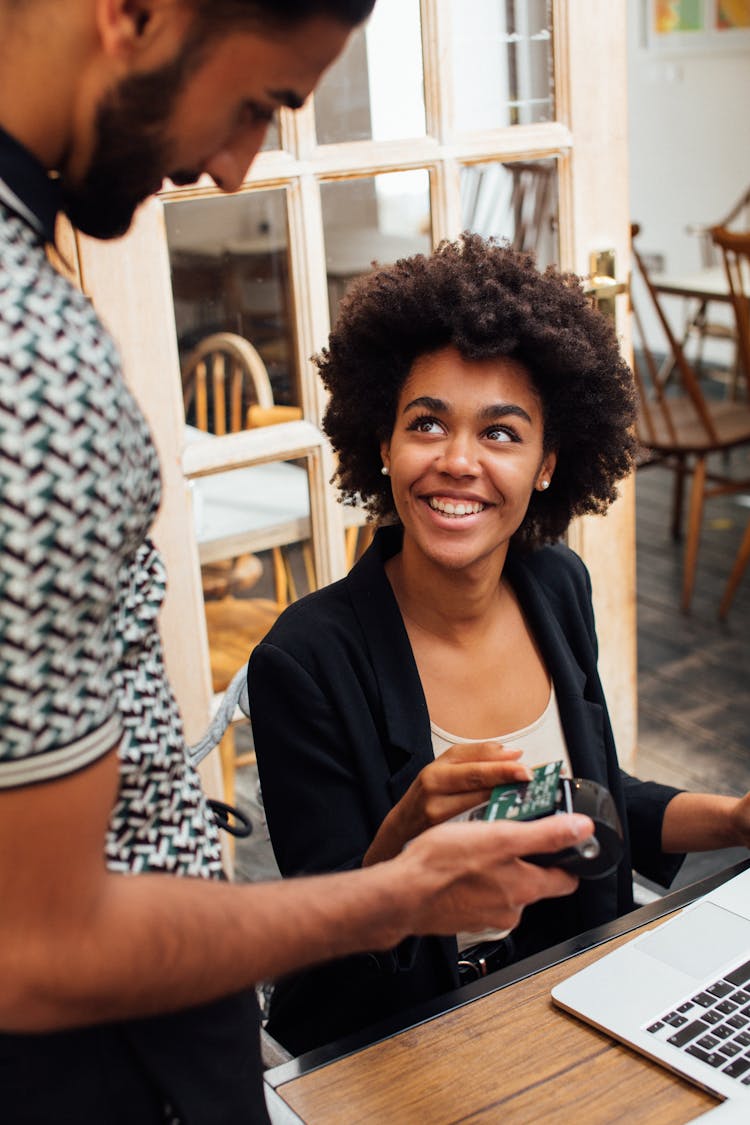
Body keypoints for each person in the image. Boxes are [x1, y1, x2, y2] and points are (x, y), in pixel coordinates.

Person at [0, 5, 599, 1124]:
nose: (231, 170)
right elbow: (37, 940)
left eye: (505, 432)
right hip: (109, 1061)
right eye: (254, 106)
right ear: (135, 14)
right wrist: (388, 898)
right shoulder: (34, 366)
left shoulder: (555, 589)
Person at [248, 232, 750, 1056]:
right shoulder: (304, 664)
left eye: (502, 433)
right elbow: (321, 943)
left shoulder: (556, 586)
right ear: (382, 443)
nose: (456, 462)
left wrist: (732, 816)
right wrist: (404, 839)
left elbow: (592, 800)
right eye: (427, 423)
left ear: (550, 463)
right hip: (401, 1041)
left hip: (576, 1001)